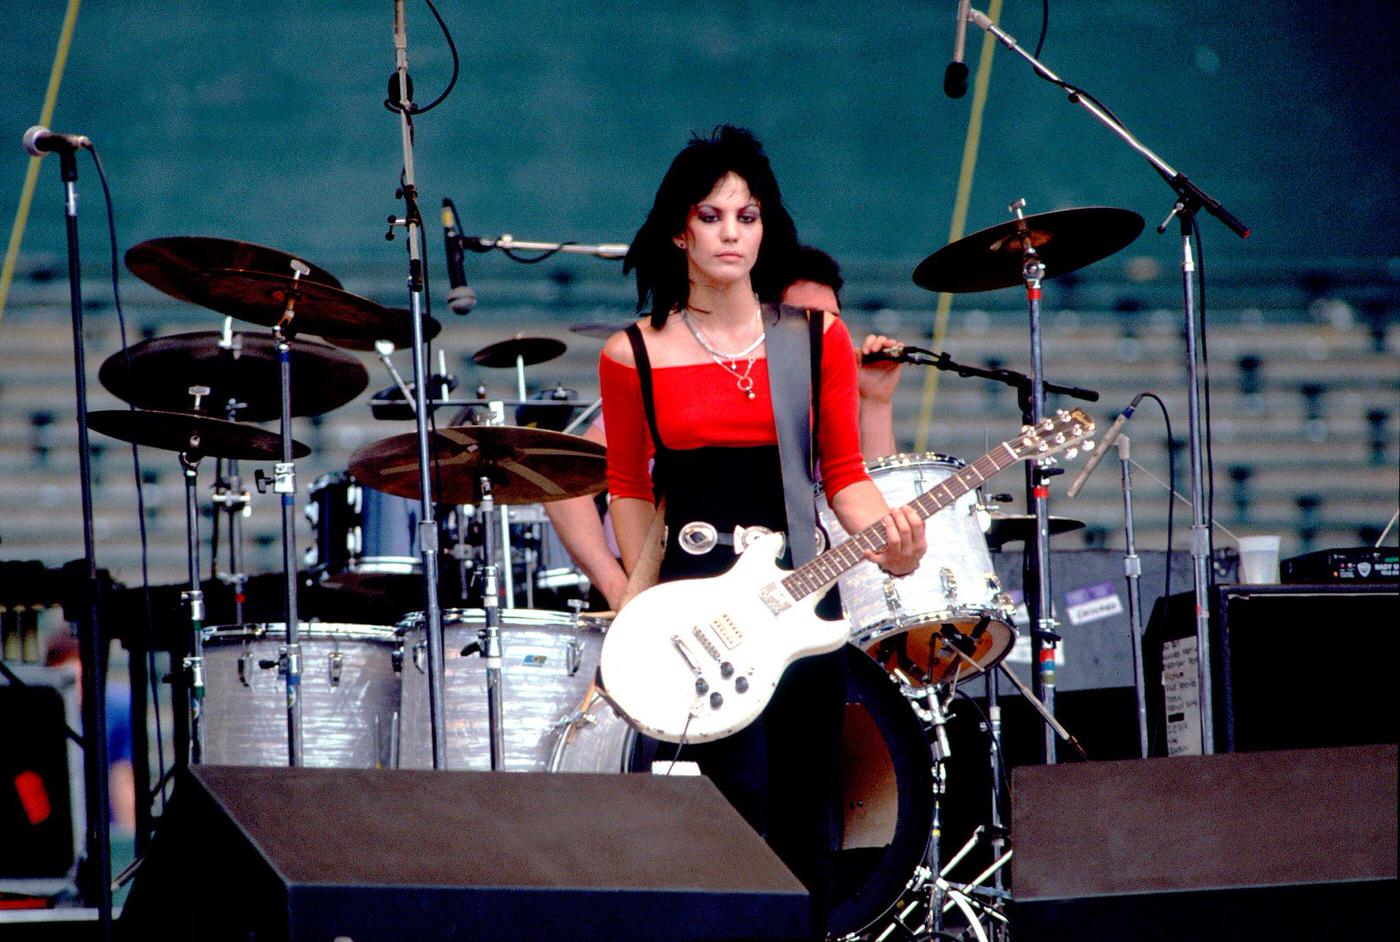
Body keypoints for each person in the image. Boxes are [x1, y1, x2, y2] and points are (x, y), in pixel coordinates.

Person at [597, 125, 926, 935]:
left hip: (798, 604)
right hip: (694, 610)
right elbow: (627, 488)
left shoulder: (813, 339)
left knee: (808, 813)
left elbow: (844, 477)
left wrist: (896, 540)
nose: (731, 233)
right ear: (680, 230)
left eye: (747, 217)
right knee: (731, 801)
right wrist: (637, 605)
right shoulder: (631, 352)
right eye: (712, 217)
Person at [543, 245, 904, 611]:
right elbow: (566, 486)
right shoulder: (687, 385)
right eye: (804, 318)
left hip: (782, 596)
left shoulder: (827, 387)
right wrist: (626, 593)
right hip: (682, 588)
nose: (819, 332)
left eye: (831, 319)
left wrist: (875, 401)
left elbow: (870, 494)